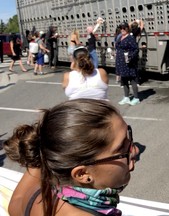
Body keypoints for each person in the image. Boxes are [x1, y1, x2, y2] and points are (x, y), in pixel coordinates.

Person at [3, 98, 137, 216]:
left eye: (128, 136)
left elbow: (15, 204)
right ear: (83, 174)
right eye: (121, 149)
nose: (134, 150)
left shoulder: (31, 194)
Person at [116, 23, 140, 106]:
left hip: (128, 61)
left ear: (127, 29)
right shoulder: (119, 37)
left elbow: (136, 49)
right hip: (120, 61)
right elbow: (118, 48)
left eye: (124, 28)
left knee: (132, 79)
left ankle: (136, 98)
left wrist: (130, 57)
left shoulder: (130, 38)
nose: (122, 29)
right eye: (121, 28)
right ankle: (126, 97)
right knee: (124, 79)